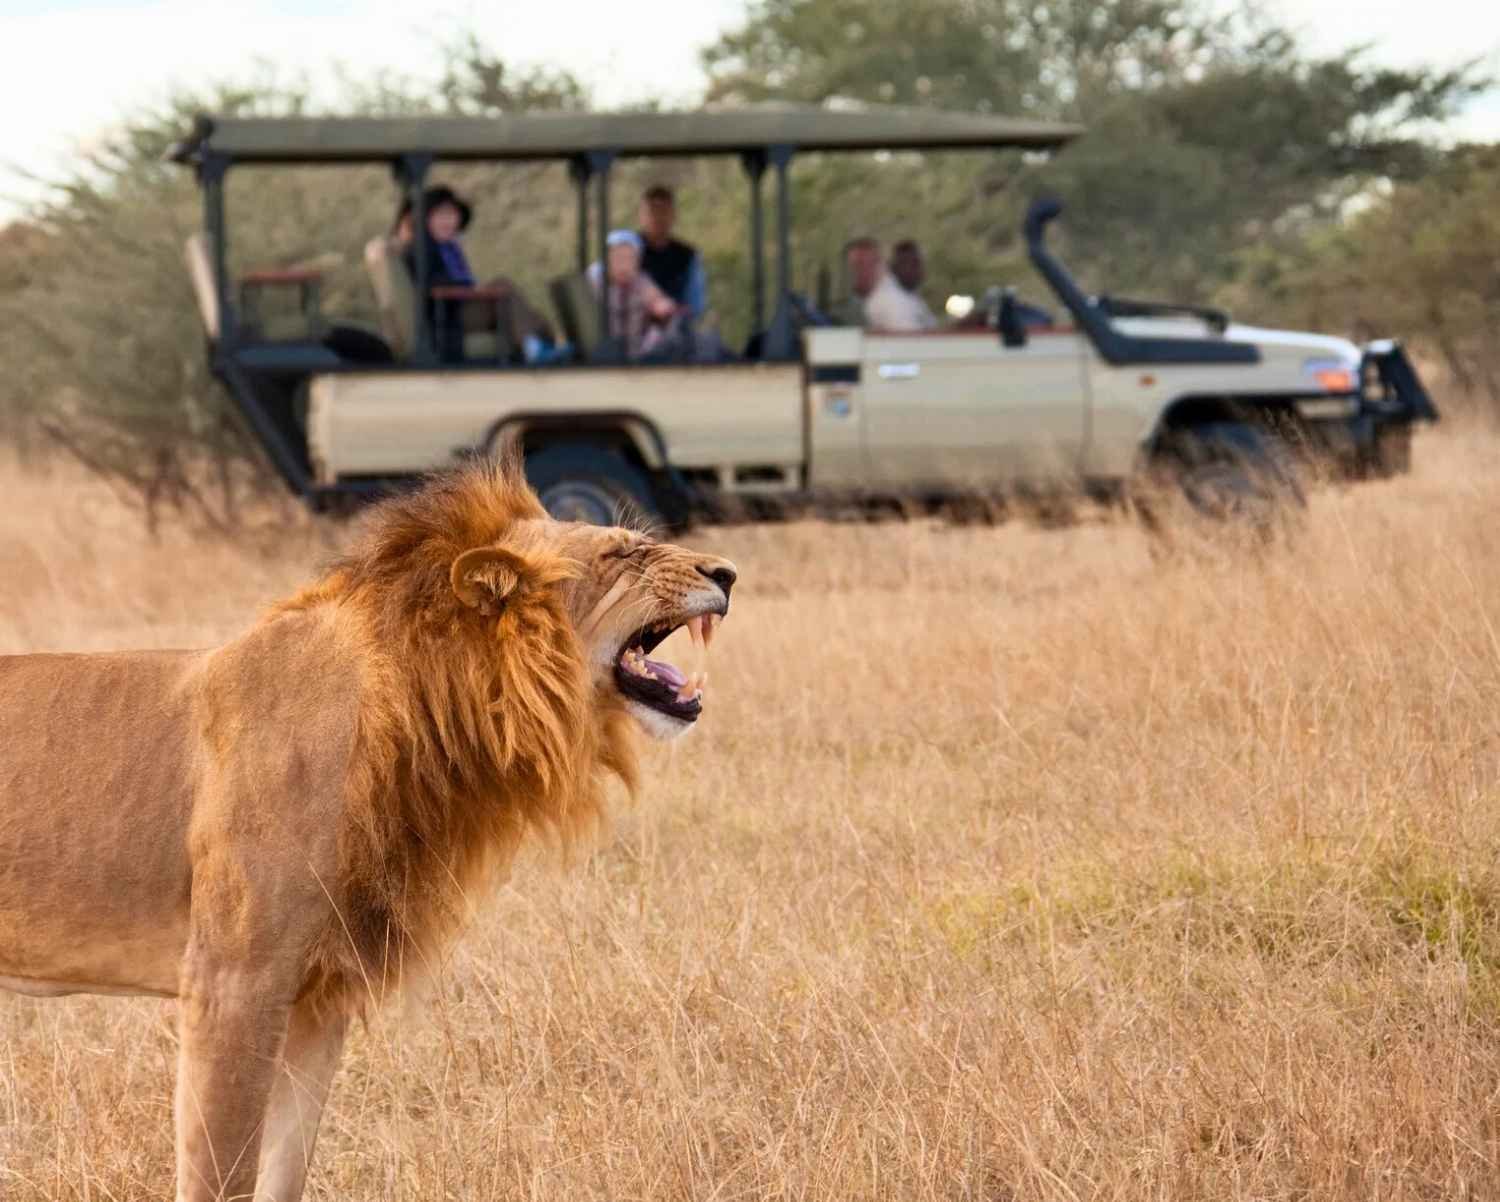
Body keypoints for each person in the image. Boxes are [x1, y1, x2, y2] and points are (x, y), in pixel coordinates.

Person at [390, 184, 561, 363]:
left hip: (459, 306)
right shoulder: (421, 248)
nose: (448, 221)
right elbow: (434, 286)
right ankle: (533, 348)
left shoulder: (448, 248)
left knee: (532, 315)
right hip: (447, 314)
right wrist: (476, 291)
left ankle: (542, 348)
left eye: (451, 215)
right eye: (441, 215)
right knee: (503, 287)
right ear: (425, 219)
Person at [587, 229, 683, 360]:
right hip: (600, 355)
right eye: (618, 257)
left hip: (634, 355)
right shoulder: (595, 279)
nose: (624, 265)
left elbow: (658, 301)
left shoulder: (641, 282)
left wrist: (662, 306)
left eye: (630, 259)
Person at [839, 235, 939, 333]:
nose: (861, 272)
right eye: (855, 266)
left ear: (880, 264)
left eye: (865, 264)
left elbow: (914, 341)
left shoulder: (890, 299)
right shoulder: (887, 296)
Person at [637, 184, 708, 320]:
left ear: (673, 215)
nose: (658, 218)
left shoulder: (688, 256)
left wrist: (670, 312)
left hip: (674, 329)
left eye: (663, 212)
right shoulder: (628, 251)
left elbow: (696, 305)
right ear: (641, 216)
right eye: (652, 212)